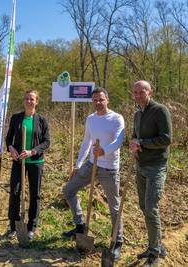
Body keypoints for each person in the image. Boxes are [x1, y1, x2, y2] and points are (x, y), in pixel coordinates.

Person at [62, 88, 125, 260]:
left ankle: (117, 241)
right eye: (95, 100)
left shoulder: (116, 118)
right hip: (91, 165)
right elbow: (86, 143)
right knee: (68, 190)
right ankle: (80, 226)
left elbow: (119, 140)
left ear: (107, 100)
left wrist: (104, 151)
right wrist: (78, 164)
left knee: (114, 206)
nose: (98, 102)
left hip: (109, 168)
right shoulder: (91, 119)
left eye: (101, 99)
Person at [129, 80, 172, 266]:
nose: (139, 94)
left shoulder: (160, 110)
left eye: (142, 91)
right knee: (144, 207)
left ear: (150, 92)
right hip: (141, 166)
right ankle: (156, 245)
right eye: (136, 92)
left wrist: (142, 143)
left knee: (151, 208)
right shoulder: (138, 114)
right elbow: (135, 136)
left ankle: (155, 253)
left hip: (156, 166)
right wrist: (132, 143)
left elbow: (166, 139)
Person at [6, 90, 50, 240]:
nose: (29, 101)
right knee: (15, 192)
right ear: (24, 101)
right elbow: (8, 139)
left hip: (35, 162)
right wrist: (10, 148)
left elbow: (46, 142)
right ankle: (14, 225)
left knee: (34, 194)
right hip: (19, 161)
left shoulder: (41, 120)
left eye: (32, 99)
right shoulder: (16, 118)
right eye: (27, 99)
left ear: (36, 101)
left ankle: (31, 226)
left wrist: (32, 151)